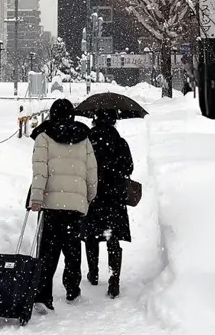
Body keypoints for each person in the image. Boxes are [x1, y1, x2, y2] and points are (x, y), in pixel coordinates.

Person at [28, 98, 98, 309]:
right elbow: (91, 172)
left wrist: (37, 199)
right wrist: (89, 196)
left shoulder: (44, 137)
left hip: (51, 204)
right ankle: (72, 289)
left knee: (48, 252)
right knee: (72, 248)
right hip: (75, 205)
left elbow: (40, 171)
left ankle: (43, 295)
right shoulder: (83, 138)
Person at [81, 108, 134, 298]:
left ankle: (93, 273)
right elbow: (129, 167)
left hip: (93, 196)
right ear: (113, 121)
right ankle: (114, 279)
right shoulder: (120, 142)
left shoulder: (88, 141)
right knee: (112, 237)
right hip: (114, 198)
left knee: (91, 236)